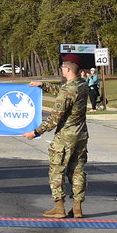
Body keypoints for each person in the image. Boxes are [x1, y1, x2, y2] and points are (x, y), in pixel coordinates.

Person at [23, 60, 90, 218]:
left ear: (67, 69)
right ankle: (77, 207)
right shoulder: (82, 85)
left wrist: (36, 132)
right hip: (81, 135)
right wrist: (44, 85)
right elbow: (64, 92)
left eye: (62, 68)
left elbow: (54, 118)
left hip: (65, 138)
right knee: (77, 171)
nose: (61, 70)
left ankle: (59, 207)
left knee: (57, 171)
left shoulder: (68, 90)